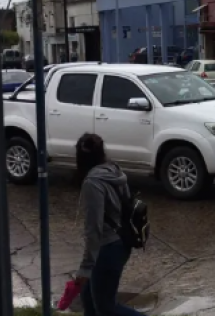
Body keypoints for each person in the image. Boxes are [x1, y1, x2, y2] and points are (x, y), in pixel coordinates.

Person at [74, 133, 146, 316]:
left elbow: (94, 229)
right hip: (122, 241)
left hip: (107, 248)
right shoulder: (114, 170)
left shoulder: (92, 183)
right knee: (88, 299)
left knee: (106, 307)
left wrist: (85, 267)